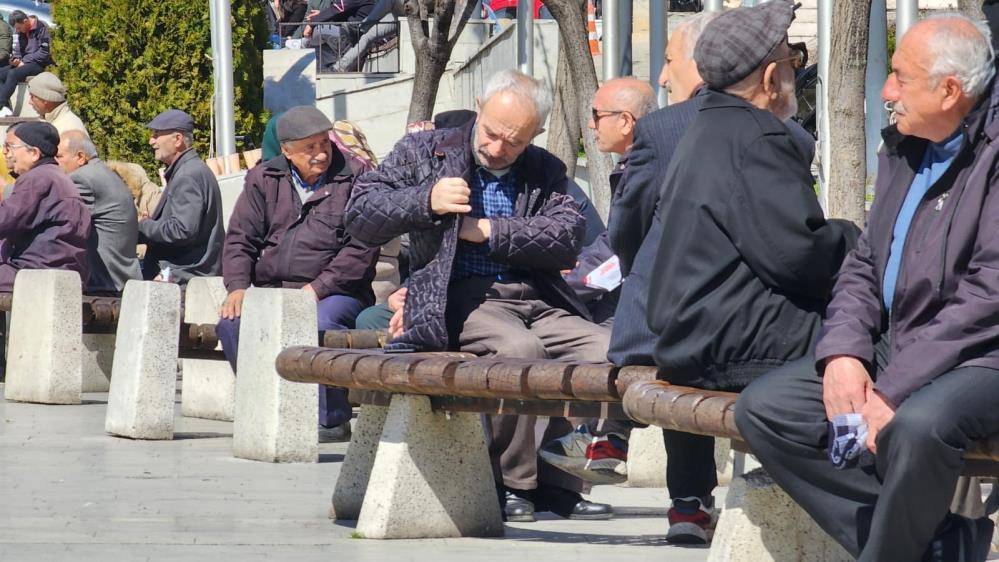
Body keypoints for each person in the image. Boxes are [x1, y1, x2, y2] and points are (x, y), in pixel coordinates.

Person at [737, 14, 999, 562]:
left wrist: (891, 389)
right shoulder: (906, 145)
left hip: (980, 356)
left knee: (919, 427)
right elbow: (866, 262)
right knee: (767, 409)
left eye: (901, 77)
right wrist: (844, 354)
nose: (887, 91)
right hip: (900, 341)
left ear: (950, 90)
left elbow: (986, 297)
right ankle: (937, 543)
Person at [345, 69, 613, 523]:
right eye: (492, 133)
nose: (497, 148)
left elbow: (568, 235)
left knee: (610, 350)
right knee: (519, 352)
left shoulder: (545, 168)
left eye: (514, 141)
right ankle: (513, 482)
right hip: (463, 295)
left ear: (535, 134)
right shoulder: (425, 152)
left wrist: (490, 230)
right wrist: (425, 200)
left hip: (540, 296)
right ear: (479, 107)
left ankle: (563, 472)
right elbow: (360, 213)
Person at [647, 1, 859, 545]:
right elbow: (800, 257)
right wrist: (856, 239)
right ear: (771, 76)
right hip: (732, 345)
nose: (795, 68)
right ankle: (896, 513)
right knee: (878, 348)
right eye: (792, 58)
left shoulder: (707, 128)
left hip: (692, 337)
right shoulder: (756, 137)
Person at [218, 105, 379, 442]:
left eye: (324, 143)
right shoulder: (264, 178)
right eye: (310, 147)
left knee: (319, 322)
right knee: (232, 323)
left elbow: (359, 251)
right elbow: (240, 239)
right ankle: (264, 404)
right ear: (288, 151)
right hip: (274, 286)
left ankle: (330, 419)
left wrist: (316, 289)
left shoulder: (354, 179)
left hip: (337, 291)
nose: (320, 153)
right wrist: (237, 287)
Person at [540, 77, 659, 486]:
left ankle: (604, 440)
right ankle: (603, 440)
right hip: (637, 293)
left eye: (596, 115)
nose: (590, 125)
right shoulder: (639, 161)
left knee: (600, 339)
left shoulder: (647, 164)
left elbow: (621, 250)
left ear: (625, 121)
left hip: (651, 303)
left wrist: (569, 284)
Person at [0, 122, 89, 290]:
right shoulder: (56, 175)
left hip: (37, 271)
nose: (7, 154)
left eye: (11, 147)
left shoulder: (38, 178)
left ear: (34, 153)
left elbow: (6, 220)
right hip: (60, 270)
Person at [139, 109, 224, 284]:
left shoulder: (187, 175)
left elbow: (182, 230)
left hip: (183, 277)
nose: (151, 140)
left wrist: (145, 226)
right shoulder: (188, 171)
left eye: (156, 134)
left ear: (177, 139)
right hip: (184, 275)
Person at [56, 130, 141, 294]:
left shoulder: (82, 178)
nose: (55, 162)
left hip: (105, 286)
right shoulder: (104, 173)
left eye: (59, 156)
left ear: (80, 157)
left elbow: (63, 223)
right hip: (122, 281)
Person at [0, 11, 51, 117]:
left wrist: (25, 61)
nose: (18, 31)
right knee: (1, 72)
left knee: (13, 74)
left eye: (19, 28)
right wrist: (15, 59)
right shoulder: (20, 31)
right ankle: (6, 107)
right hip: (25, 63)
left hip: (38, 64)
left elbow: (44, 53)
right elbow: (18, 49)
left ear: (25, 21)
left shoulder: (42, 27)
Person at [27, 72, 88, 136]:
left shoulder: (66, 130)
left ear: (45, 100)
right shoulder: (53, 120)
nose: (29, 102)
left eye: (32, 97)